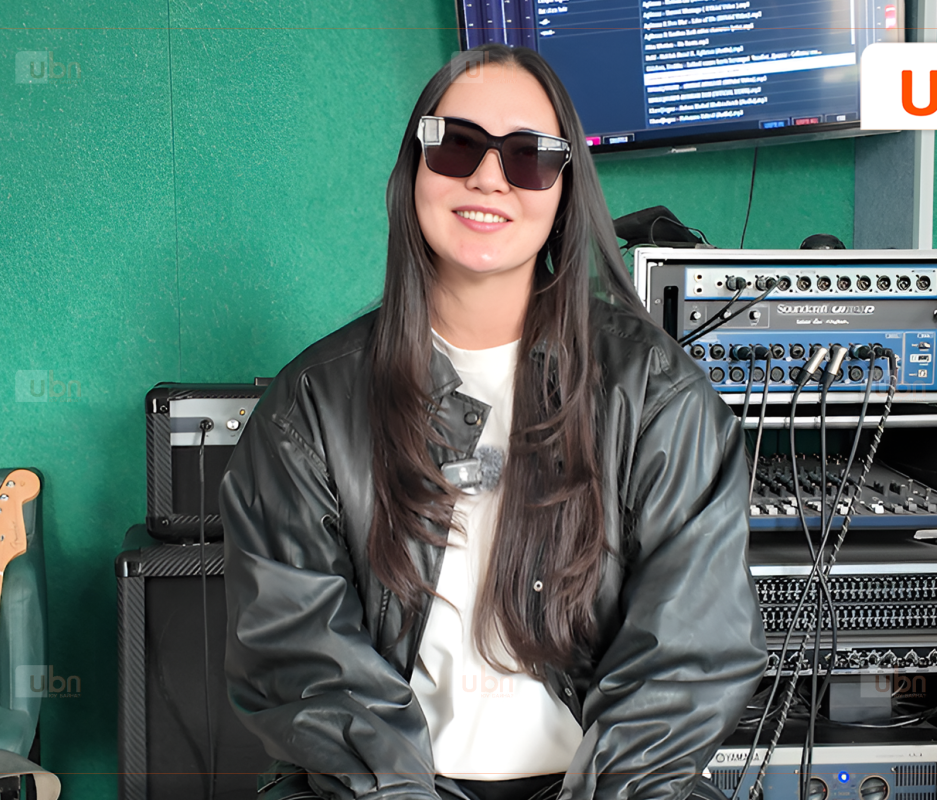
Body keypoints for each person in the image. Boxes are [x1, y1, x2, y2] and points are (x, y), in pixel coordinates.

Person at [220, 44, 766, 800]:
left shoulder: (657, 394)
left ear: (566, 189)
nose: (488, 177)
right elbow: (300, 661)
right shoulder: (309, 408)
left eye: (529, 156)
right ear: (414, 170)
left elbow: (689, 659)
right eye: (457, 145)